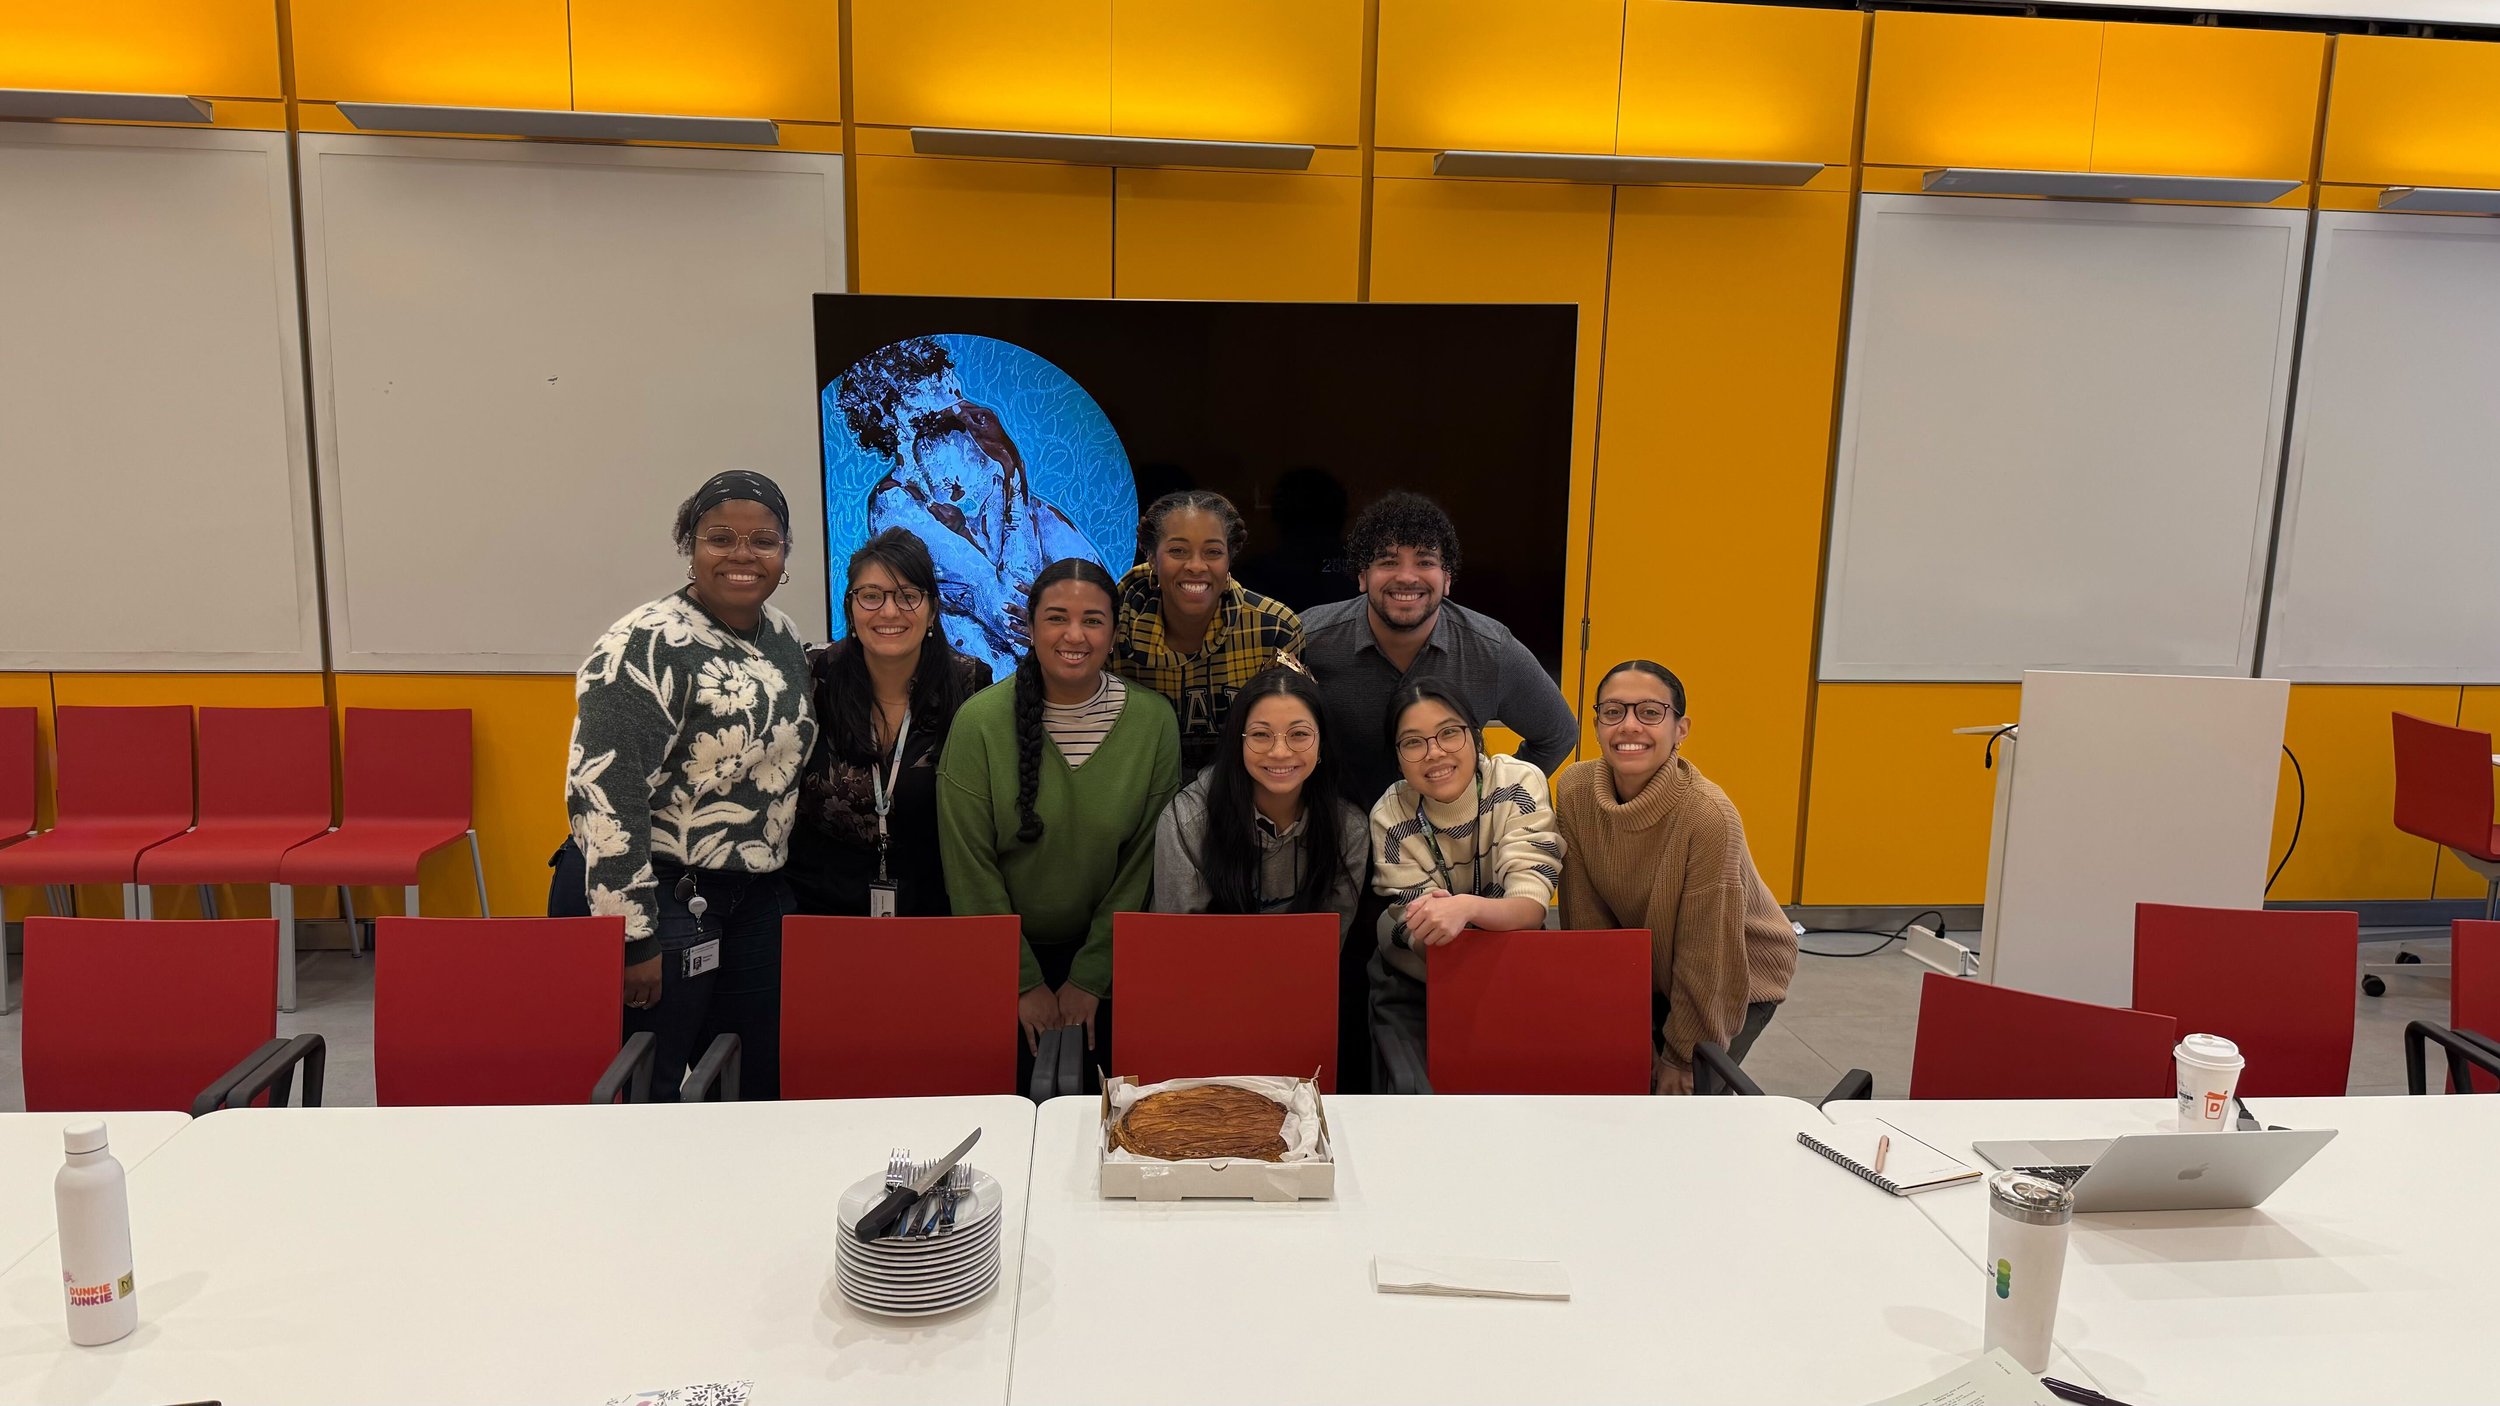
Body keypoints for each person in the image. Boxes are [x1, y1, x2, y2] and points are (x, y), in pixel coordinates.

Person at [566, 471, 816, 1101]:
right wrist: (633, 935)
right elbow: (606, 790)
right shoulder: (643, 643)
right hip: (663, 894)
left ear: (785, 553)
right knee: (650, 1082)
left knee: (754, 1079)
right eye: (720, 537)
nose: (742, 554)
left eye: (763, 540)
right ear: (690, 545)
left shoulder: (783, 637)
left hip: (755, 898)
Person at [939, 558, 1181, 1091]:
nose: (1075, 635)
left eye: (1093, 620)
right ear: (1029, 627)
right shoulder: (978, 722)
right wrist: (1021, 981)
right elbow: (968, 866)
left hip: (1112, 966)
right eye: (1056, 618)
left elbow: (1144, 862)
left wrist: (1091, 976)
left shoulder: (1153, 722)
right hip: (999, 964)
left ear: (1114, 632)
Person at [1554, 662, 1798, 1095]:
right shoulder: (1574, 789)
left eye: (1650, 712)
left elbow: (1708, 952)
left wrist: (1679, 1057)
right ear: (1595, 725)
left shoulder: (1707, 816)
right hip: (1651, 966)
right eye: (1613, 712)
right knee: (1615, 1082)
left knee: (1683, 1103)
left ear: (1680, 728)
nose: (1629, 726)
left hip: (1738, 971)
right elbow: (1586, 920)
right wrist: (1619, 1026)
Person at [1299, 490, 1578, 810]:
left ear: (1447, 579)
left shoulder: (1491, 650)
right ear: (1363, 576)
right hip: (1341, 844)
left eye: (1425, 561)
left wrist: (1488, 802)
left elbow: (1558, 734)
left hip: (1453, 851)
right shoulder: (1310, 640)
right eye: (1388, 561)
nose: (1406, 576)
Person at [787, 528, 993, 919]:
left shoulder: (969, 684)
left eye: (908, 596)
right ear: (850, 607)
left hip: (932, 909)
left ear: (932, 609)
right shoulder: (813, 675)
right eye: (871, 595)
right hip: (817, 909)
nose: (889, 611)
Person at [1367, 683, 1564, 1088]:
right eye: (1413, 742)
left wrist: (1467, 909)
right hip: (1420, 982)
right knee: (1417, 1102)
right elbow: (1421, 934)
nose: (1435, 752)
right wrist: (1441, 925)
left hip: (1514, 965)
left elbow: (1530, 906)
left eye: (1449, 733)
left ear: (1475, 735)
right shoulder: (1390, 816)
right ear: (1398, 758)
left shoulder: (1516, 782)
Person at [1152, 663, 1367, 943]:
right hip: (1204, 977)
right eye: (1260, 735)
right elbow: (1178, 942)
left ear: (1322, 744)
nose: (1279, 752)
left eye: (1299, 734)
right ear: (1237, 742)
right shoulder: (1188, 819)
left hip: (1299, 980)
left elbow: (1326, 947)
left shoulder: (1348, 828)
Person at [1113, 490, 1306, 777]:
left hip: (1242, 796)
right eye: (1177, 551)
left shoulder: (1275, 628)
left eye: (1213, 552)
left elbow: (1292, 741)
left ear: (1230, 558)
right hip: (1137, 794)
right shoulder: (1111, 627)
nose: (1196, 566)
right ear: (1152, 558)